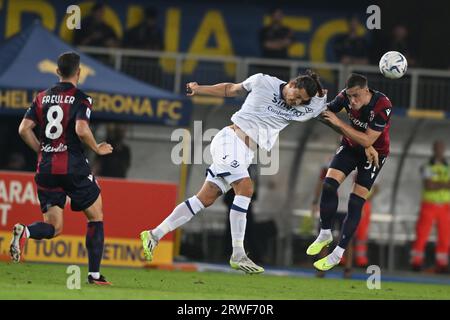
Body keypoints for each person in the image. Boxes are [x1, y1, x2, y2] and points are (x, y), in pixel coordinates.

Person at [140, 70, 331, 274]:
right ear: (292, 83)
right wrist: (199, 89)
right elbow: (230, 89)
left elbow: (327, 105)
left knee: (204, 199)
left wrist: (321, 95)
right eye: (297, 96)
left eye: (303, 100)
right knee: (246, 189)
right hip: (230, 141)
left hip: (245, 154)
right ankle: (238, 253)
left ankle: (154, 234)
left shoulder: (305, 107)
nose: (297, 102)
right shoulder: (263, 82)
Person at [10, 52, 113, 285]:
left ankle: (25, 231)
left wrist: (41, 150)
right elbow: (81, 130)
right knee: (96, 217)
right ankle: (94, 275)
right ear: (79, 73)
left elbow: (23, 129)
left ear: (57, 72)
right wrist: (97, 148)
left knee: (54, 227)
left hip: (46, 168)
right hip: (73, 166)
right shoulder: (81, 98)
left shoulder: (41, 98)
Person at [307, 73, 392, 272]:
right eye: (350, 96)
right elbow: (325, 116)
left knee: (355, 202)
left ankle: (338, 253)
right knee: (328, 184)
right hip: (352, 145)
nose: (352, 101)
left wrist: (344, 126)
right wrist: (336, 121)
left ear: (366, 90)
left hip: (375, 154)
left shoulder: (383, 105)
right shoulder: (344, 96)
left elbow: (367, 139)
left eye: (356, 96)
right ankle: (325, 233)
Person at [411, 141, 450, 273]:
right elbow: (429, 186)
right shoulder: (426, 166)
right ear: (433, 149)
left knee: (445, 236)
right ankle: (416, 262)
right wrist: (444, 183)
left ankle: (442, 263)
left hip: (445, 207)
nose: (440, 150)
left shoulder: (448, 167)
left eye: (442, 147)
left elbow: (433, 185)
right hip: (429, 205)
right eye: (437, 147)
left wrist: (436, 183)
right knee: (422, 233)